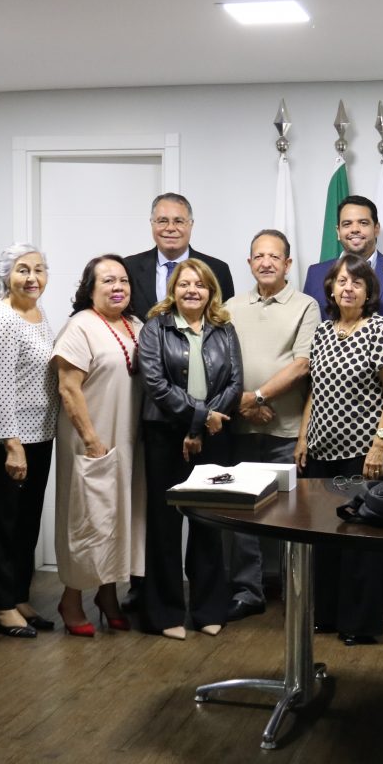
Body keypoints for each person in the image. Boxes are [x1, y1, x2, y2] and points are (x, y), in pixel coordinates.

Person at [296, 254, 383, 645]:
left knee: (362, 540)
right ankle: (327, 614)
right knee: (326, 536)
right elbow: (316, 389)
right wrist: (303, 437)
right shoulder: (323, 332)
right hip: (322, 450)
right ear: (330, 288)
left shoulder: (380, 330)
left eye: (356, 283)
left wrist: (379, 445)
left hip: (365, 453)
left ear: (368, 291)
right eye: (342, 281)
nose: (348, 288)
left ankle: (360, 624)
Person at [139, 258, 243, 639]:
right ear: (173, 290)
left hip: (214, 436)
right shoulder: (155, 327)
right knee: (164, 526)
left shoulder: (224, 328)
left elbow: (235, 383)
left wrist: (203, 424)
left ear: (211, 291)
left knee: (208, 523)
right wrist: (200, 417)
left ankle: (209, 608)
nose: (192, 291)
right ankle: (164, 613)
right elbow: (156, 384)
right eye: (184, 284)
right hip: (165, 435)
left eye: (199, 284)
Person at [223, 230, 320, 622]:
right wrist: (246, 406)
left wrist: (257, 397)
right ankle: (248, 592)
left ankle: (295, 593)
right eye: (259, 256)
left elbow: (302, 365)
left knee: (291, 517)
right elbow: (221, 365)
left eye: (274, 256)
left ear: (288, 264)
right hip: (241, 429)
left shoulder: (306, 305)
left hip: (288, 431)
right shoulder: (230, 307)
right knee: (242, 516)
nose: (266, 263)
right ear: (249, 263)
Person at [52, 255, 147, 637]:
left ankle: (108, 596)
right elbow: (68, 388)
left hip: (128, 440)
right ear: (90, 288)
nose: (117, 287)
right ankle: (71, 599)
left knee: (118, 519)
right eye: (107, 280)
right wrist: (91, 439)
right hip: (92, 440)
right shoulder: (80, 326)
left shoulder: (136, 326)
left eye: (123, 280)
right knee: (88, 520)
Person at [0, 244, 59, 639]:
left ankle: (18, 595)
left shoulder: (38, 314)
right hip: (8, 440)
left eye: (39, 269)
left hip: (40, 435)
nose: (32, 278)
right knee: (3, 523)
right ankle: (0, 605)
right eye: (23, 270)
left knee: (26, 522)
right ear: (6, 275)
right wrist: (12, 444)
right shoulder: (4, 319)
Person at [302, 195, 383, 368]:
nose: (355, 229)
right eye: (347, 224)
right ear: (338, 231)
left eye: (363, 223)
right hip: (329, 380)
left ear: (376, 229)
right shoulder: (316, 274)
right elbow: (307, 336)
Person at [126, 193, 235, 320]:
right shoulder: (129, 268)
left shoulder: (218, 270)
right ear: (152, 223)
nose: (170, 228)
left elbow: (223, 320)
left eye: (178, 221)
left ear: (191, 224)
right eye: (162, 221)